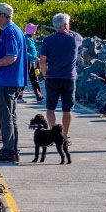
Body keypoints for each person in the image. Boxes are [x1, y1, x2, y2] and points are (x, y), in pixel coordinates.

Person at [0, 3, 26, 163]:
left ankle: (8, 151)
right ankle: (12, 150)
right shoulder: (14, 30)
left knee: (5, 116)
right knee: (11, 116)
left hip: (7, 80)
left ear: (3, 15)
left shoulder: (9, 32)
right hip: (13, 80)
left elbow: (11, 57)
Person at [38, 12, 83, 140]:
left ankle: (53, 133)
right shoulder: (75, 38)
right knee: (67, 109)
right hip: (69, 77)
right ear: (66, 24)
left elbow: (42, 61)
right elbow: (80, 37)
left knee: (50, 108)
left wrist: (45, 74)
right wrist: (68, 28)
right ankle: (64, 135)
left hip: (52, 77)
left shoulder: (47, 40)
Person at [19, 23, 43, 102]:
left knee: (34, 79)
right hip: (27, 62)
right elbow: (24, 51)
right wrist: (34, 57)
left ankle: (39, 96)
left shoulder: (30, 38)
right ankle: (19, 96)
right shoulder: (26, 39)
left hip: (32, 62)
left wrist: (35, 58)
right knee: (24, 79)